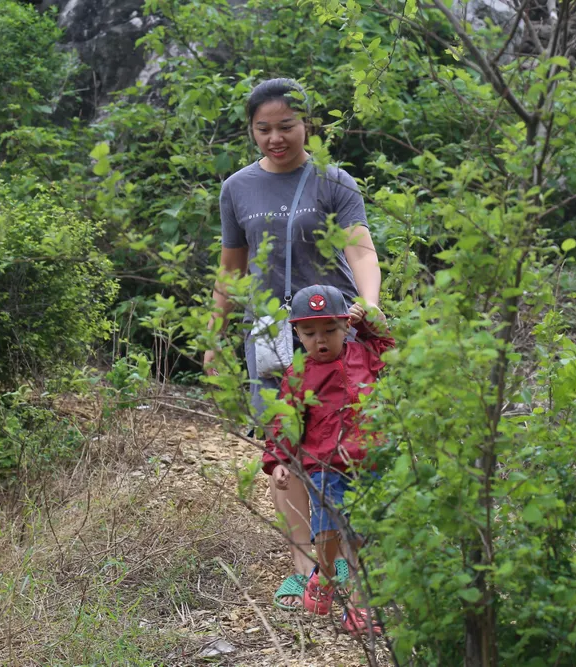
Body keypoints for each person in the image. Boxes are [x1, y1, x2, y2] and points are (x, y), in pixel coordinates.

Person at [202, 78, 383, 609]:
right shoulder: (237, 188)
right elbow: (231, 268)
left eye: (286, 126)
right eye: (264, 129)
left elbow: (361, 250)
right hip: (270, 333)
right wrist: (213, 336)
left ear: (307, 125)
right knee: (284, 445)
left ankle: (345, 560)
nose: (275, 138)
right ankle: (304, 568)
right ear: (251, 131)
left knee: (342, 440)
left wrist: (370, 303)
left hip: (332, 329)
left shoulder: (334, 180)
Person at [262, 284, 394, 635]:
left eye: (330, 330)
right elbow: (284, 420)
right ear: (297, 333)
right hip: (324, 466)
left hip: (367, 461)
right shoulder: (298, 374)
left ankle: (359, 607)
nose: (320, 340)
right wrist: (277, 461)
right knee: (327, 531)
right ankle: (323, 575)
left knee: (362, 535)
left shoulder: (363, 354)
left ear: (345, 326)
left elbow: (387, 346)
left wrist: (367, 322)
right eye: (309, 333)